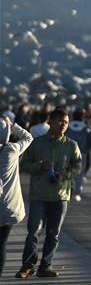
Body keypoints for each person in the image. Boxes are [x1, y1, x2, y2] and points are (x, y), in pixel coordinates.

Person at [16, 109, 82, 279]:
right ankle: (27, 266)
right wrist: (40, 166)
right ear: (50, 121)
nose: (63, 125)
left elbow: (78, 166)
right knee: (34, 231)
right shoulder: (37, 143)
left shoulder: (71, 145)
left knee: (53, 233)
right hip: (39, 195)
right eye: (60, 121)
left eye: (66, 122)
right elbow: (24, 165)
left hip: (60, 196)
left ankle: (45, 266)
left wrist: (64, 175)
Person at [1, 116, 33, 277]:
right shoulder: (12, 150)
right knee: (1, 243)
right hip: (8, 207)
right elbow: (28, 137)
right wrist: (13, 125)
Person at [65, 109, 91, 202]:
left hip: (69, 152)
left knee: (69, 169)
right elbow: (89, 140)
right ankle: (78, 191)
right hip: (82, 152)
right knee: (80, 172)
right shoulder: (85, 127)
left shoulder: (68, 126)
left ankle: (70, 185)